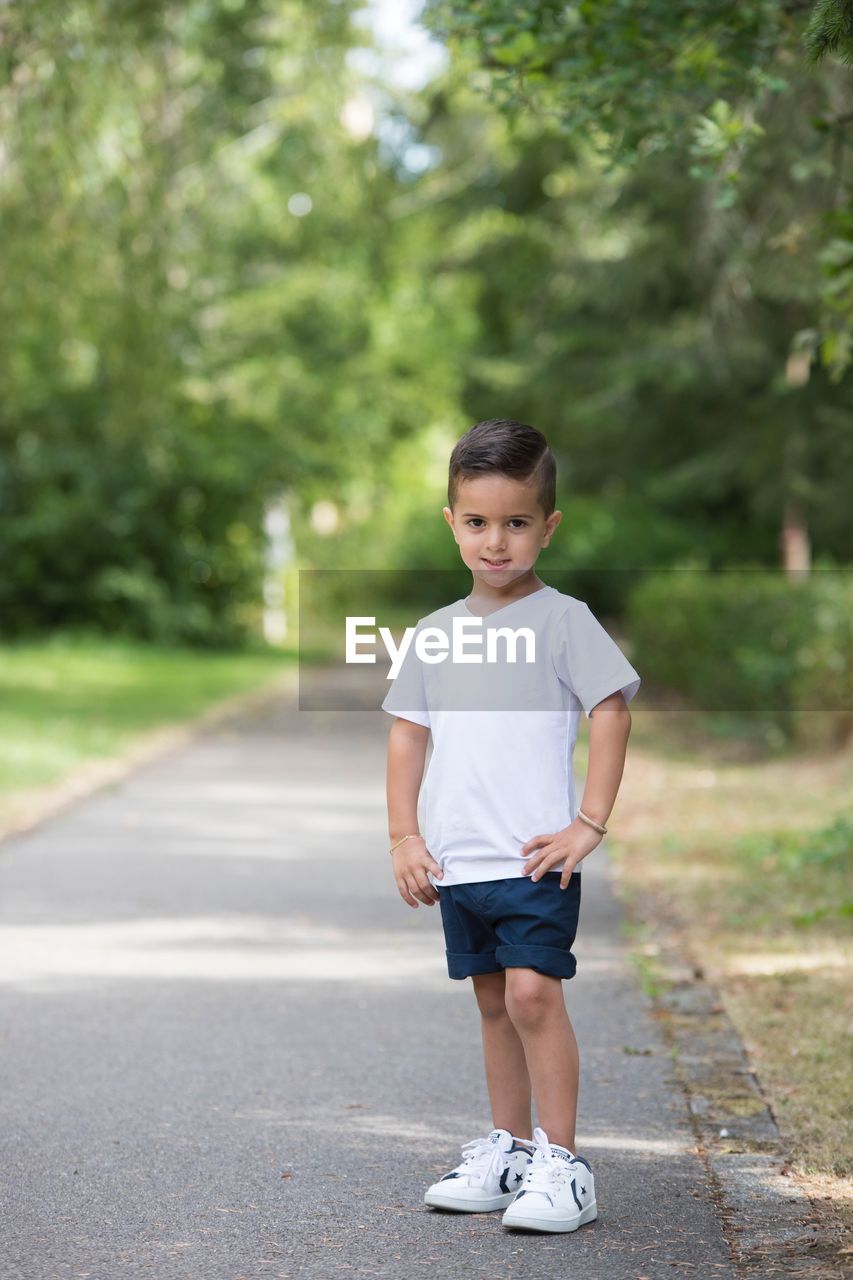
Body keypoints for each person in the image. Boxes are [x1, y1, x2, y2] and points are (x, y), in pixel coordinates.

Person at [380, 418, 640, 1234]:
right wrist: (403, 837)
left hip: (533, 857)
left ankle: (562, 1164)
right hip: (458, 860)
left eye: (516, 523)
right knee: (493, 1001)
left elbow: (609, 710)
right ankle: (507, 1152)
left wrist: (588, 822)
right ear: (451, 521)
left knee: (533, 994)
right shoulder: (430, 634)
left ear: (547, 527)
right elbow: (407, 734)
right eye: (477, 522)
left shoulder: (564, 621)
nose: (496, 542)